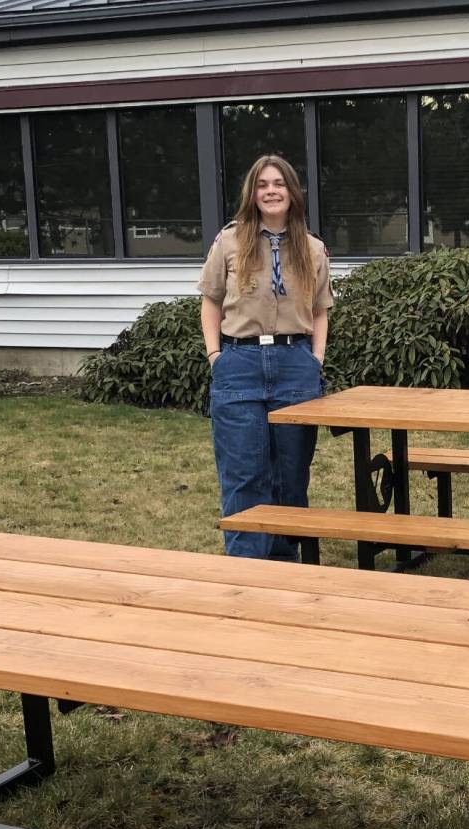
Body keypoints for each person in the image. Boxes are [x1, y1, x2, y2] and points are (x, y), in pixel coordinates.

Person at [197, 154, 333, 560]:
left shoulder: (313, 249)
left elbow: (321, 310)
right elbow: (211, 302)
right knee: (243, 474)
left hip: (295, 365)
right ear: (252, 193)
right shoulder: (229, 242)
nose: (271, 191)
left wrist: (316, 360)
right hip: (239, 365)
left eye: (278, 184)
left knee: (291, 476)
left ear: (292, 193)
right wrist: (215, 355)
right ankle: (246, 572)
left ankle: (284, 566)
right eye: (262, 185)